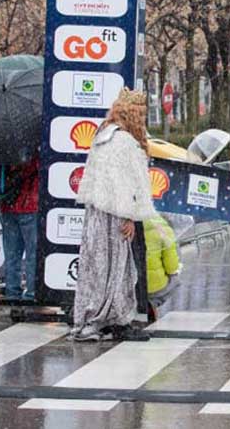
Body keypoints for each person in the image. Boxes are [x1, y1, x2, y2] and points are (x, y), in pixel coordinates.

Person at [71, 88, 158, 342]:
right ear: (133, 114)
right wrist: (130, 215)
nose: (143, 119)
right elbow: (128, 183)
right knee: (119, 268)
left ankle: (94, 318)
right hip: (116, 214)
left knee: (98, 269)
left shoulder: (103, 135)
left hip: (98, 213)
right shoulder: (124, 142)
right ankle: (117, 320)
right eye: (141, 114)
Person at [0, 157, 40, 307]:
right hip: (30, 205)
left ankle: (12, 293)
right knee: (32, 254)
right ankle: (31, 294)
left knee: (12, 254)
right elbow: (36, 170)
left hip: (8, 205)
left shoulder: (4, 151)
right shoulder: (31, 151)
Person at [145, 213, 182, 321]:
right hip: (154, 286)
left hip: (131, 283)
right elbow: (171, 267)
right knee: (175, 279)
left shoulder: (130, 224)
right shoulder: (164, 228)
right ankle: (153, 304)